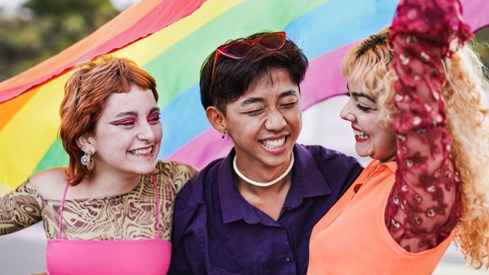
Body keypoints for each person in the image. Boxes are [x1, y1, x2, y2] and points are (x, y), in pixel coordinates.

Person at [307, 0, 489, 273]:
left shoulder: (418, 200)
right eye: (350, 98)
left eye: (365, 106)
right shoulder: (379, 171)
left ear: (406, 115)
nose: (345, 113)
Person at [168, 31, 363, 274]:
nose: (277, 122)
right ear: (218, 119)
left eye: (288, 104)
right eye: (255, 110)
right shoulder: (195, 209)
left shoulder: (344, 179)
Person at [0, 56, 197, 274]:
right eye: (127, 123)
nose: (149, 134)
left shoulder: (176, 181)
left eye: (153, 117)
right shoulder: (49, 189)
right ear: (85, 139)